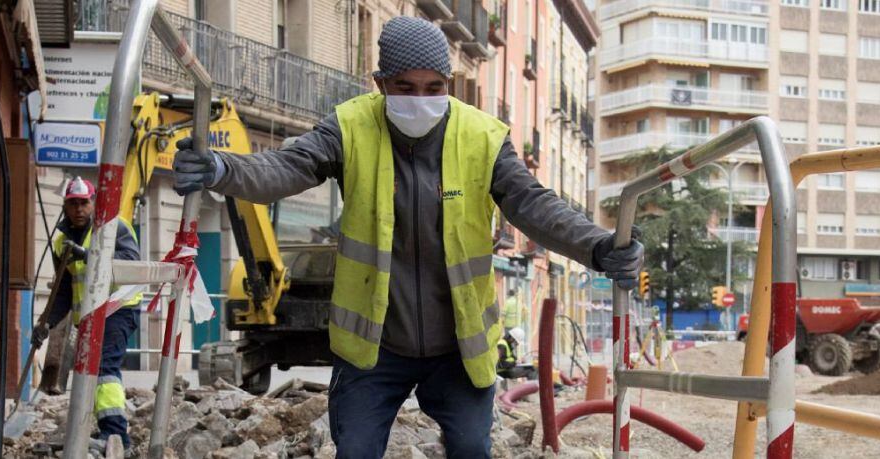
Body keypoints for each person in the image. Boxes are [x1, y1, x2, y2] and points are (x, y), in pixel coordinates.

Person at [172, 16, 643, 459]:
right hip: (375, 350)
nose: (420, 99)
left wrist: (597, 246)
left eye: (433, 88)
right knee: (355, 451)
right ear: (380, 84)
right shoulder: (350, 126)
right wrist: (223, 168)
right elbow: (287, 167)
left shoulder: (481, 136)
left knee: (472, 450)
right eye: (405, 88)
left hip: (457, 348)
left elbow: (535, 204)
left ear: (448, 85)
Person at [31, 177, 143, 450]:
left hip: (118, 307)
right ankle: (101, 429)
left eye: (84, 203)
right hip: (90, 316)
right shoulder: (61, 242)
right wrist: (46, 323)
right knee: (89, 372)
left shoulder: (115, 227)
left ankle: (116, 437)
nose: (79, 209)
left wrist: (88, 253)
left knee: (104, 370)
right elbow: (63, 290)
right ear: (65, 206)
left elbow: (131, 263)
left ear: (94, 204)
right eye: (73, 203)